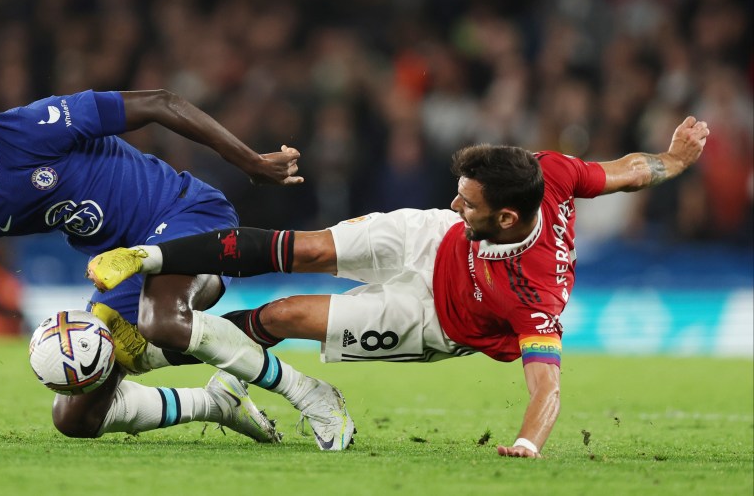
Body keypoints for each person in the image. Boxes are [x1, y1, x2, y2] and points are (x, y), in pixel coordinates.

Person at [87, 116, 710, 458]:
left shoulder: (533, 297)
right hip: (430, 241)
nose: (454, 200)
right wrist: (674, 160)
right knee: (306, 248)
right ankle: (152, 262)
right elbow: (627, 171)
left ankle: (174, 358)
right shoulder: (547, 171)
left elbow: (546, 383)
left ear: (507, 220)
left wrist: (527, 442)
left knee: (281, 316)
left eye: (469, 202)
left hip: (431, 319)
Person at [0, 74, 354, 450]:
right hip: (127, 266)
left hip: (186, 214)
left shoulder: (35, 126)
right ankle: (215, 403)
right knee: (76, 418)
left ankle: (309, 392)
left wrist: (248, 162)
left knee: (162, 319)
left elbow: (161, 102)